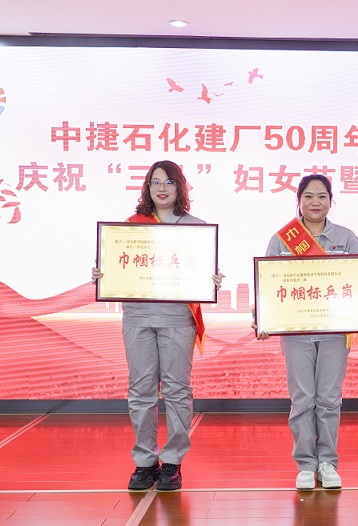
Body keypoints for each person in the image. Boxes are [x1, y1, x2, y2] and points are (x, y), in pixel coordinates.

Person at [91, 160, 224, 491]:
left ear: (180, 187)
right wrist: (102, 274)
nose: (162, 188)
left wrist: (211, 281)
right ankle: (145, 462)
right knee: (141, 390)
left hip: (177, 317)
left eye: (169, 182)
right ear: (147, 188)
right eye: (155, 182)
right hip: (137, 316)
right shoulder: (130, 228)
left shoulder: (195, 227)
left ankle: (173, 461)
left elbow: (201, 273)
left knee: (177, 390)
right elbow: (116, 267)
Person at [255, 174, 358, 490]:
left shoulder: (346, 238)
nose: (315, 202)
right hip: (296, 333)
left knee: (328, 399)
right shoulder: (282, 239)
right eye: (308, 196)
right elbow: (267, 284)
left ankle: (327, 463)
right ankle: (306, 465)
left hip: (335, 333)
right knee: (302, 399)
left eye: (322, 196)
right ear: (298, 200)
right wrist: (262, 319)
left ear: (330, 201)